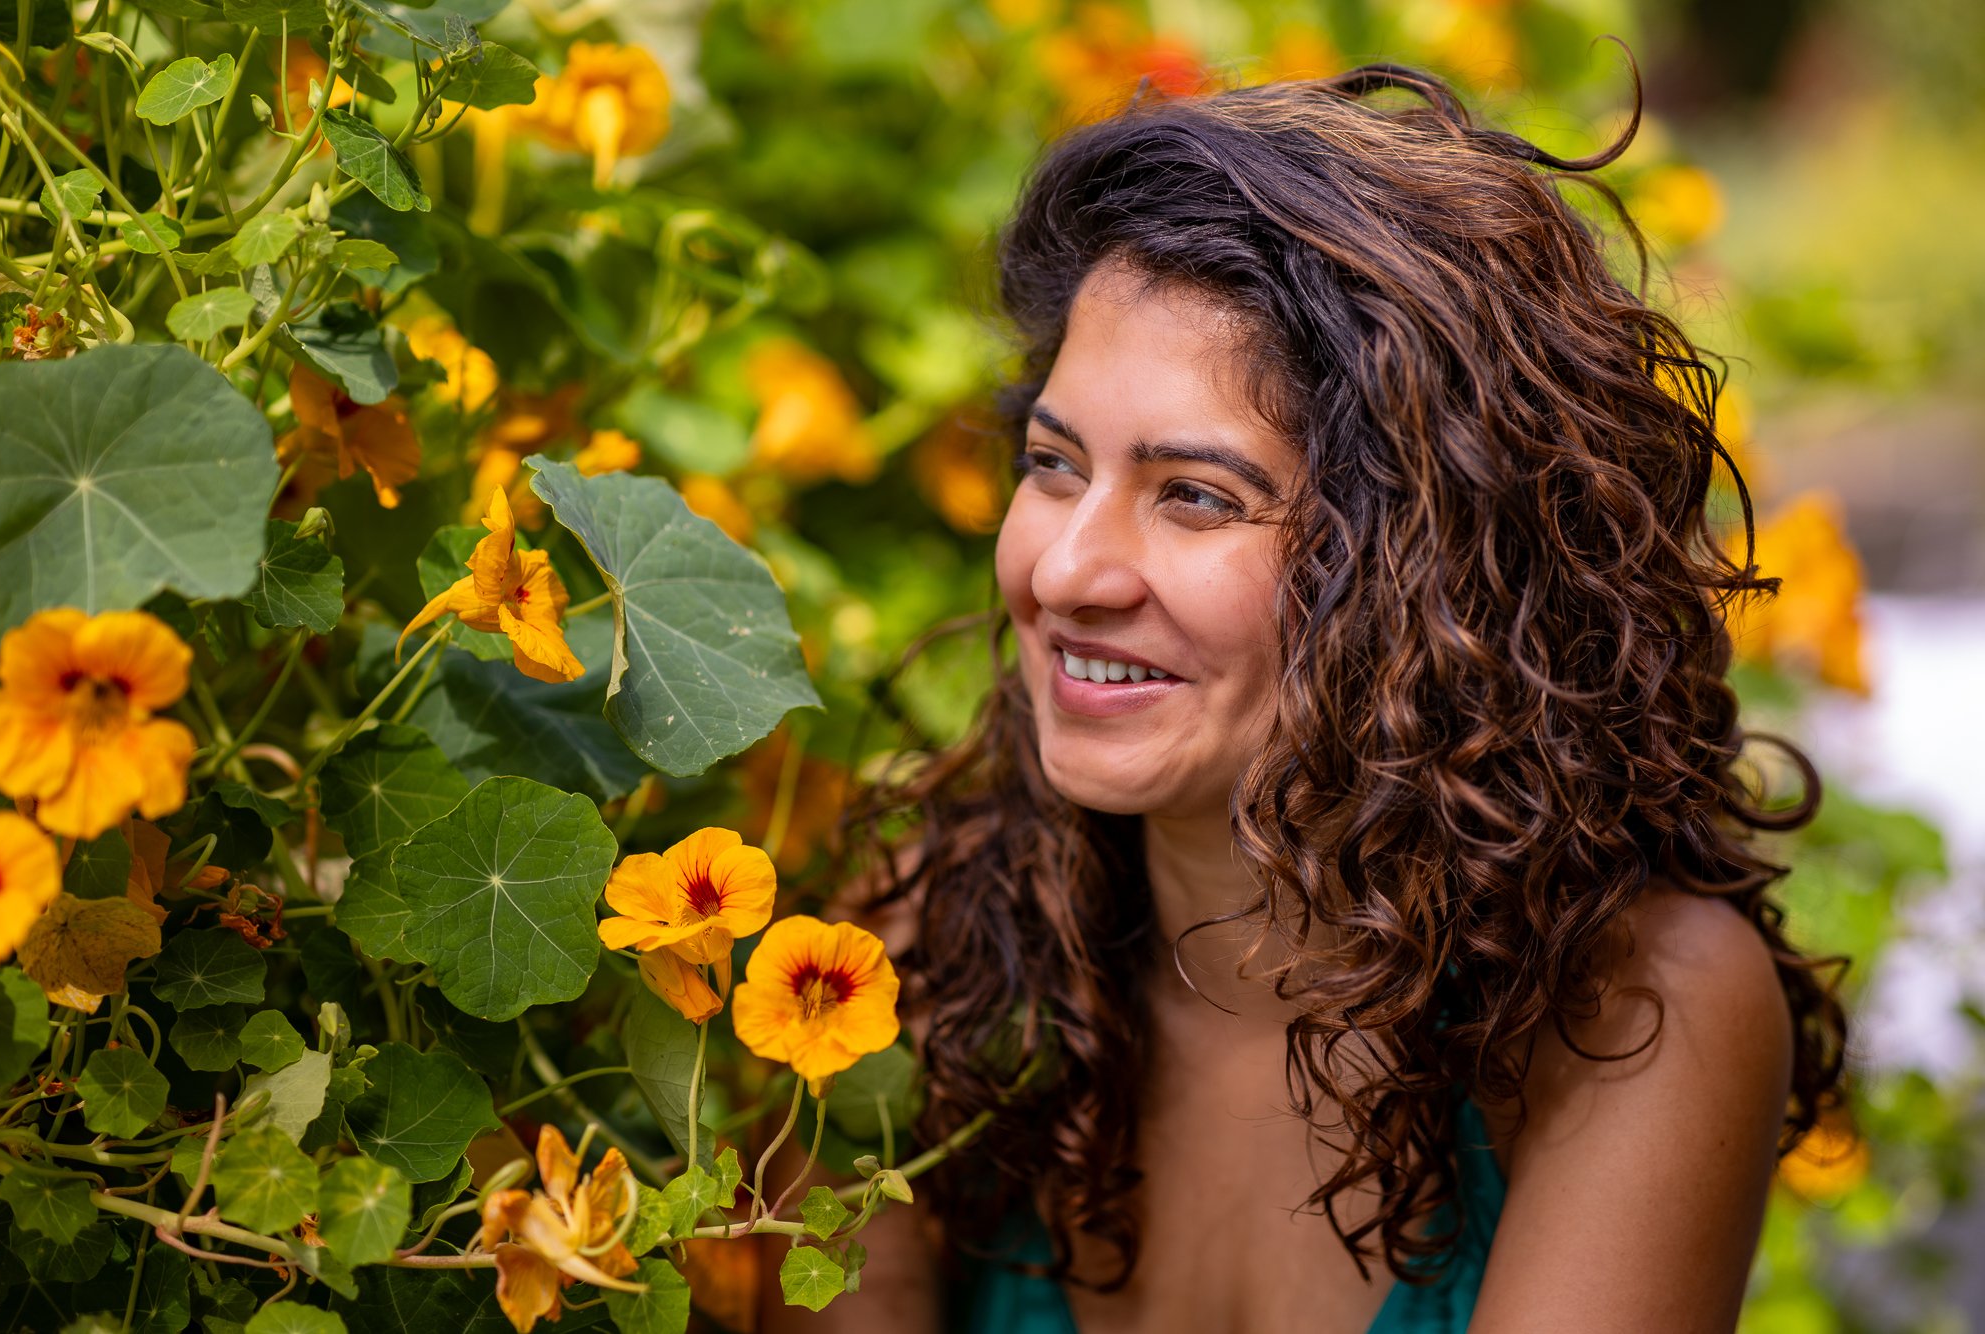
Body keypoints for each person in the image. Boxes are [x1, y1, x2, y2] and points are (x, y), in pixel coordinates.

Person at [759, 58, 1849, 1334]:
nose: (1062, 568)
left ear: (1425, 567)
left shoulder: (1633, 1004)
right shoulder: (909, 955)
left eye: (1194, 495)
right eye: (1052, 465)